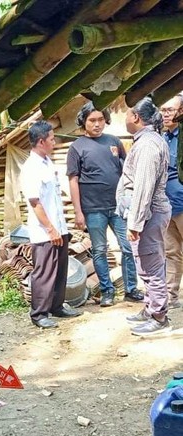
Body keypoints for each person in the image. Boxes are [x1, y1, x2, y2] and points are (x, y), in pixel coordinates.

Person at [67, 102, 143, 307]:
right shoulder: (77, 147)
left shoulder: (114, 141)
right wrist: (78, 212)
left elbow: (127, 170)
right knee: (100, 250)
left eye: (101, 119)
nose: (97, 124)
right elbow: (73, 180)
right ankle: (107, 291)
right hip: (93, 209)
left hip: (118, 206)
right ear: (84, 121)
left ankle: (131, 289)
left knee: (128, 247)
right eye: (92, 120)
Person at [117, 97, 172, 336]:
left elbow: (143, 187)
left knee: (151, 265)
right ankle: (150, 308)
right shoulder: (145, 141)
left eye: (127, 114)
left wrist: (136, 222)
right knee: (145, 263)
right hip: (147, 215)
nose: (126, 119)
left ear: (136, 117)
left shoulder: (148, 145)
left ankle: (159, 317)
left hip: (149, 214)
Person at [20, 120, 83, 329]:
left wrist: (59, 228)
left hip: (59, 228)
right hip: (45, 231)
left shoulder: (48, 163)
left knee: (60, 269)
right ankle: (38, 313)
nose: (54, 142)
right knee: (45, 272)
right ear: (40, 141)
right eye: (51, 139)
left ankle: (57, 306)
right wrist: (50, 228)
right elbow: (35, 202)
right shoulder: (31, 168)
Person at [161, 94, 183, 309]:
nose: (166, 114)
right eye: (163, 110)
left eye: (170, 109)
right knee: (171, 252)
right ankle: (171, 296)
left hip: (182, 203)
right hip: (167, 206)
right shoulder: (161, 138)